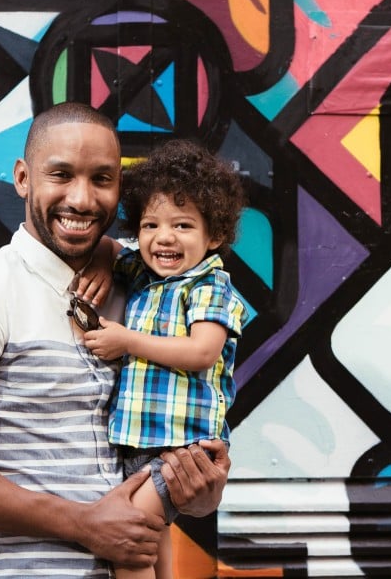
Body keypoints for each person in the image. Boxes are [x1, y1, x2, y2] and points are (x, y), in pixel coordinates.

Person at [0, 102, 230, 578]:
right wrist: (83, 524)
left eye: (102, 179)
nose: (83, 199)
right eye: (61, 175)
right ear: (24, 179)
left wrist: (200, 491)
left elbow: (173, 477)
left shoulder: (145, 294)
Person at [77, 139, 248, 579]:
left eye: (183, 226)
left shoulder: (209, 287)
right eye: (151, 225)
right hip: (139, 444)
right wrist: (99, 258)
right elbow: (113, 250)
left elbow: (202, 351)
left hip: (182, 448)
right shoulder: (147, 275)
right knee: (153, 540)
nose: (164, 237)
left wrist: (127, 341)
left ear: (215, 236)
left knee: (130, 541)